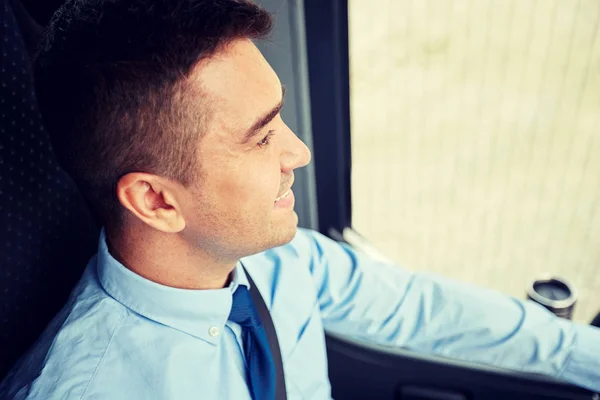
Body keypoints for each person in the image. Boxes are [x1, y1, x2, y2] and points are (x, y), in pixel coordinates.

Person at [1, 0, 599, 398]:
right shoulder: (86, 387)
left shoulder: (282, 264)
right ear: (156, 201)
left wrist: (586, 356)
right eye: (261, 136)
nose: (300, 152)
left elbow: (421, 308)